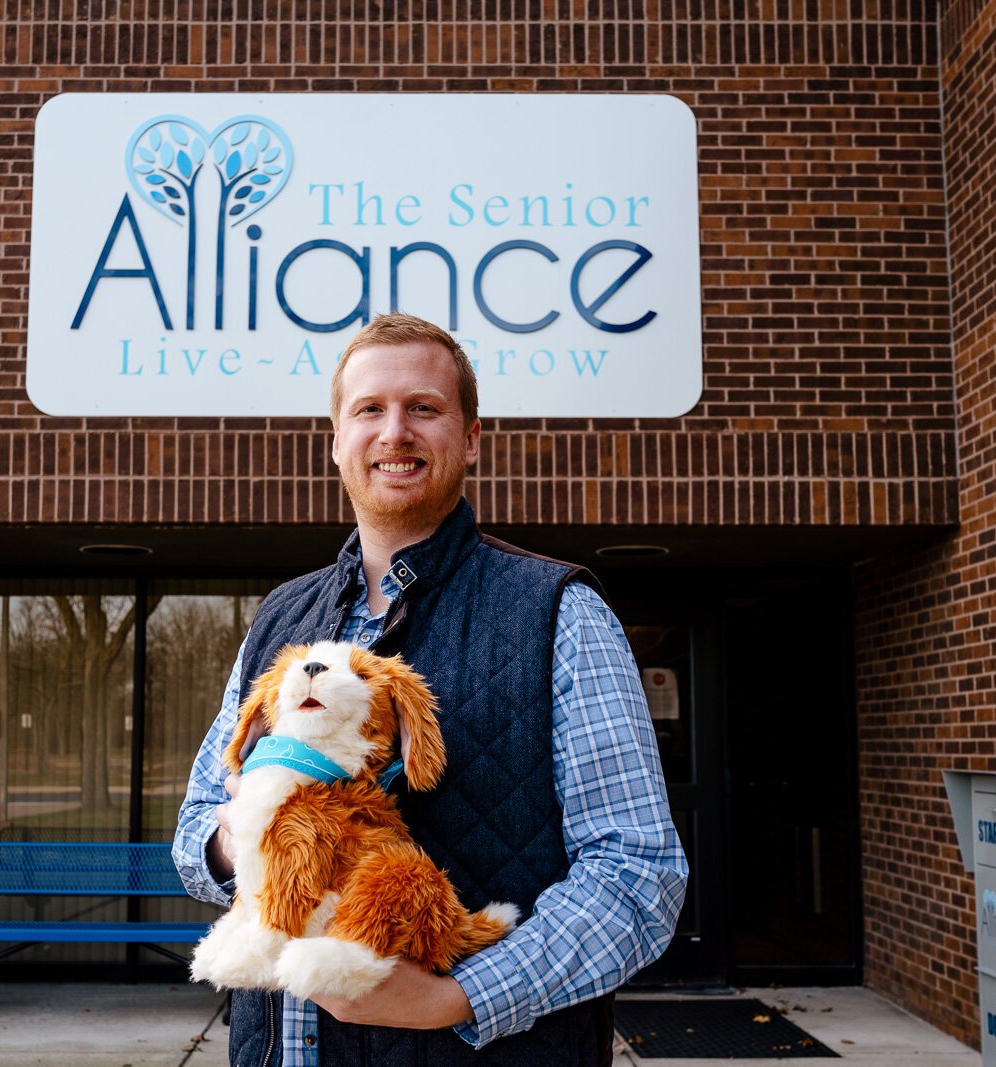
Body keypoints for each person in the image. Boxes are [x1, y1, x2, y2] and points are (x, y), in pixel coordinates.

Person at [173, 313, 688, 1066]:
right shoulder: (282, 618)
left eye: (424, 407)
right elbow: (193, 836)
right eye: (369, 410)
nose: (394, 432)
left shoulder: (561, 612)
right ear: (336, 440)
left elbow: (638, 875)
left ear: (471, 437)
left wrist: (458, 997)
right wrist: (258, 828)